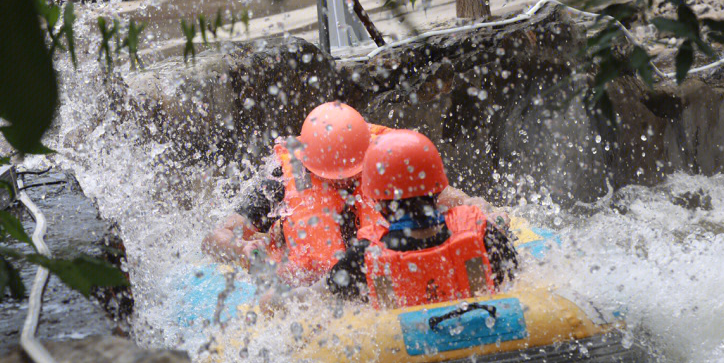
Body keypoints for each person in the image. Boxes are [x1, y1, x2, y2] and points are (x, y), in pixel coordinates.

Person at [204, 101, 505, 286]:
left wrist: (484, 210)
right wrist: (240, 250)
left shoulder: (384, 160)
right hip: (315, 275)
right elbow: (216, 237)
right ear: (308, 166)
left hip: (365, 265)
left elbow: (450, 198)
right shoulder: (278, 179)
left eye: (353, 174)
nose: (344, 184)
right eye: (333, 177)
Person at [326, 129, 518, 307]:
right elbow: (513, 270)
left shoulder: (364, 254)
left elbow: (332, 292)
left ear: (379, 202)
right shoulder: (480, 232)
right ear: (438, 189)